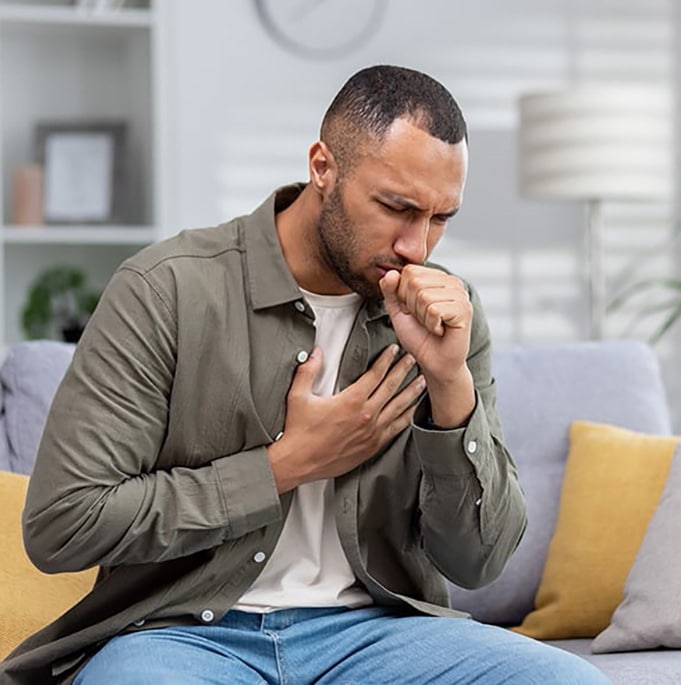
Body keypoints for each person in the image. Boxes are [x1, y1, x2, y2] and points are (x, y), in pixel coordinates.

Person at [1, 65, 611, 685]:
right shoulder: (167, 290)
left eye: (440, 217)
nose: (417, 247)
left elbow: (479, 562)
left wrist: (452, 387)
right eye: (396, 207)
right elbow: (64, 524)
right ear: (323, 167)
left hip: (376, 635)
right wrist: (286, 465)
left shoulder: (448, 313)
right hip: (184, 635)